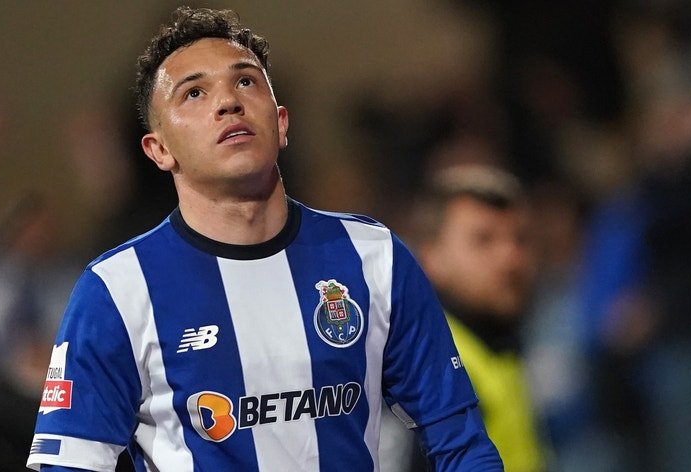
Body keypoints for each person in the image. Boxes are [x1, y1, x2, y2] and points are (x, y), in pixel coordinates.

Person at [26, 6, 502, 472]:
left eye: (246, 82)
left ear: (281, 122)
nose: (228, 102)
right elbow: (71, 465)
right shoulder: (117, 290)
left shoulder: (374, 257)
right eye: (194, 93)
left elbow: (461, 444)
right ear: (159, 149)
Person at [408, 164, 547, 472]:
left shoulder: (496, 342)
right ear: (431, 257)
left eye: (520, 239)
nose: (510, 258)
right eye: (483, 240)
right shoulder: (427, 371)